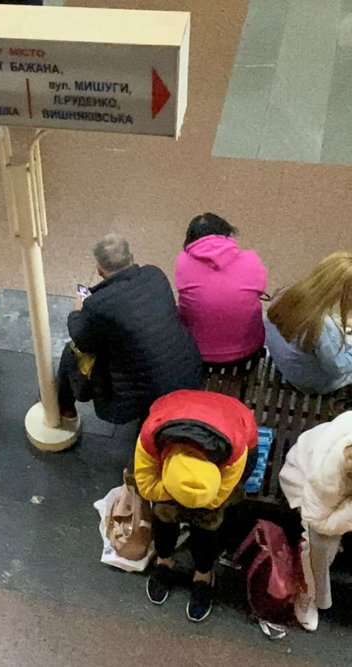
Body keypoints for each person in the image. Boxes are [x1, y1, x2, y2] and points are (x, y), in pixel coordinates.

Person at [135, 390, 257, 622]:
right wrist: (175, 498)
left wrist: (193, 504)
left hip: (235, 423)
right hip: (174, 410)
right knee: (164, 511)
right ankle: (165, 559)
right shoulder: (150, 437)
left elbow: (218, 497)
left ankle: (204, 572)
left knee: (208, 518)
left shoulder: (236, 451)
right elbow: (147, 487)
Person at [57, 233, 202, 425]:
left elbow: (81, 341)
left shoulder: (97, 305)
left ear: (99, 269)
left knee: (71, 353)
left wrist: (77, 312)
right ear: (131, 258)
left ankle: (64, 408)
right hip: (189, 373)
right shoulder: (155, 275)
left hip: (140, 398)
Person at [279, 411, 352, 622]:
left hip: (340, 489)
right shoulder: (327, 476)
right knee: (320, 542)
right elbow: (318, 522)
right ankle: (308, 589)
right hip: (304, 482)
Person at [175, 213, 267, 363]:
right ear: (229, 234)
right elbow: (261, 289)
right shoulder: (251, 260)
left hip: (196, 350)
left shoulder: (182, 262)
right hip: (248, 348)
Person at [264, 252, 352, 394]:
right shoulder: (323, 328)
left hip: (287, 364)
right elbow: (337, 368)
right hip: (312, 381)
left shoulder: (287, 294)